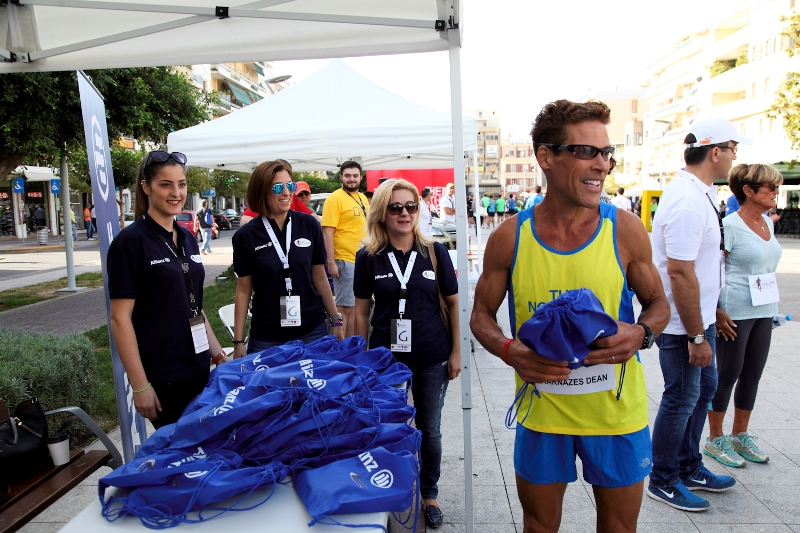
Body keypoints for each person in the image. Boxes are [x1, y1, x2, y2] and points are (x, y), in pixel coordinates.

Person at [470, 99, 670, 532]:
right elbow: (480, 315)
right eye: (586, 152)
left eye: (607, 152)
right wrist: (509, 350)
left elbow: (659, 305)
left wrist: (641, 334)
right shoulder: (510, 237)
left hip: (616, 414)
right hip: (543, 412)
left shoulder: (625, 229)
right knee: (539, 524)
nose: (602, 164)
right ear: (546, 156)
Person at [649, 117, 754, 511]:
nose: (734, 157)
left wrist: (714, 310)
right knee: (681, 397)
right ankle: (663, 479)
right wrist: (695, 336)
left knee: (703, 389)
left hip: (700, 318)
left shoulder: (701, 192)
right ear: (715, 152)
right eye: (733, 150)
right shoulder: (688, 200)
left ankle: (689, 465)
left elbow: (705, 265)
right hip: (682, 326)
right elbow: (679, 270)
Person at [353, 179, 459, 529]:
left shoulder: (435, 252)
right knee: (386, 426)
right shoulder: (368, 256)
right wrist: (357, 358)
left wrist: (457, 352)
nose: (404, 213)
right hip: (385, 358)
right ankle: (392, 491)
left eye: (411, 206)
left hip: (432, 354)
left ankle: (429, 494)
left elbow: (454, 304)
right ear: (382, 212)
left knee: (430, 429)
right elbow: (361, 312)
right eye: (396, 207)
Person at [107, 150, 229, 429]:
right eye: (166, 184)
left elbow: (194, 305)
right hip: (164, 377)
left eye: (181, 184)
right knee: (181, 457)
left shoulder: (187, 237)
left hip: (198, 369)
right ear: (146, 187)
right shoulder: (131, 242)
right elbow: (119, 318)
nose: (176, 192)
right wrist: (140, 386)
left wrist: (219, 356)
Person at [705, 163, 783, 467]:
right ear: (748, 191)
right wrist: (715, 309)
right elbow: (712, 270)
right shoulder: (729, 226)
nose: (776, 193)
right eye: (771, 188)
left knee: (753, 373)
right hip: (734, 310)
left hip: (764, 308)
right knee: (728, 374)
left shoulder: (768, 224)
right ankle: (715, 438)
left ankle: (740, 434)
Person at [232, 161, 342, 356]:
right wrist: (238, 340)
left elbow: (319, 277)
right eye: (277, 187)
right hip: (266, 336)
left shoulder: (309, 225)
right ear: (262, 191)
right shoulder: (246, 235)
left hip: (312, 330)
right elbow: (243, 289)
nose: (286, 193)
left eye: (290, 185)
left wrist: (335, 319)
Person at [322, 160, 369, 338]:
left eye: (355, 176)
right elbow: (327, 231)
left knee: (356, 308)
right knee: (345, 308)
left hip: (361, 260)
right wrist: (331, 261)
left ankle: (350, 347)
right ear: (341, 177)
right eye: (347, 176)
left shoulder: (362, 198)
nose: (351, 179)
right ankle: (340, 347)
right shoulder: (335, 199)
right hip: (344, 260)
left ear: (360, 178)